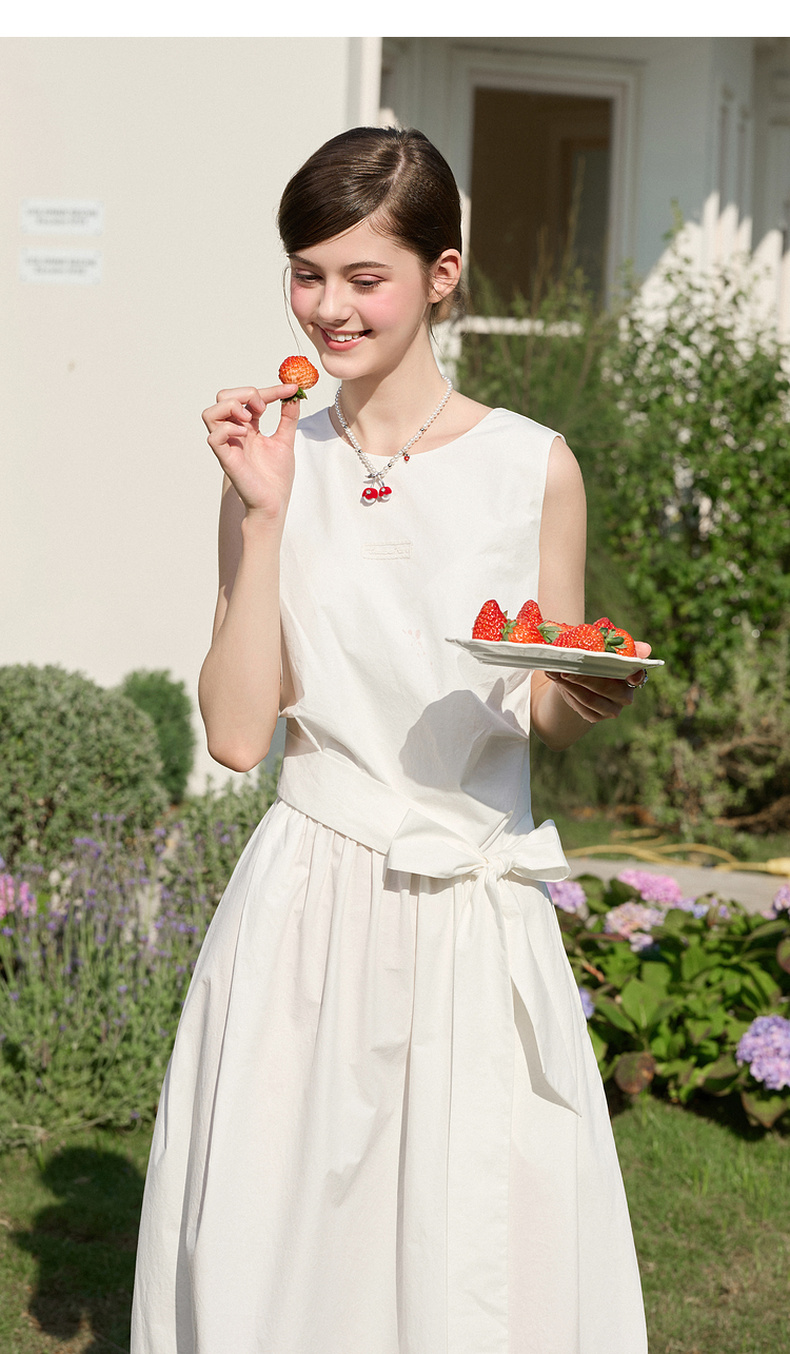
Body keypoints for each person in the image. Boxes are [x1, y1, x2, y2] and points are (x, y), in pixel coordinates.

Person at [131, 126, 650, 1354]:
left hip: (475, 909)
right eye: (307, 273)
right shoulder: (272, 462)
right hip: (309, 910)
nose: (329, 307)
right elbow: (239, 734)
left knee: (480, 1258)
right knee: (288, 1255)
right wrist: (264, 517)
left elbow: (540, 697)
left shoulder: (534, 466)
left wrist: (586, 693)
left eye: (364, 276)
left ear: (441, 274)